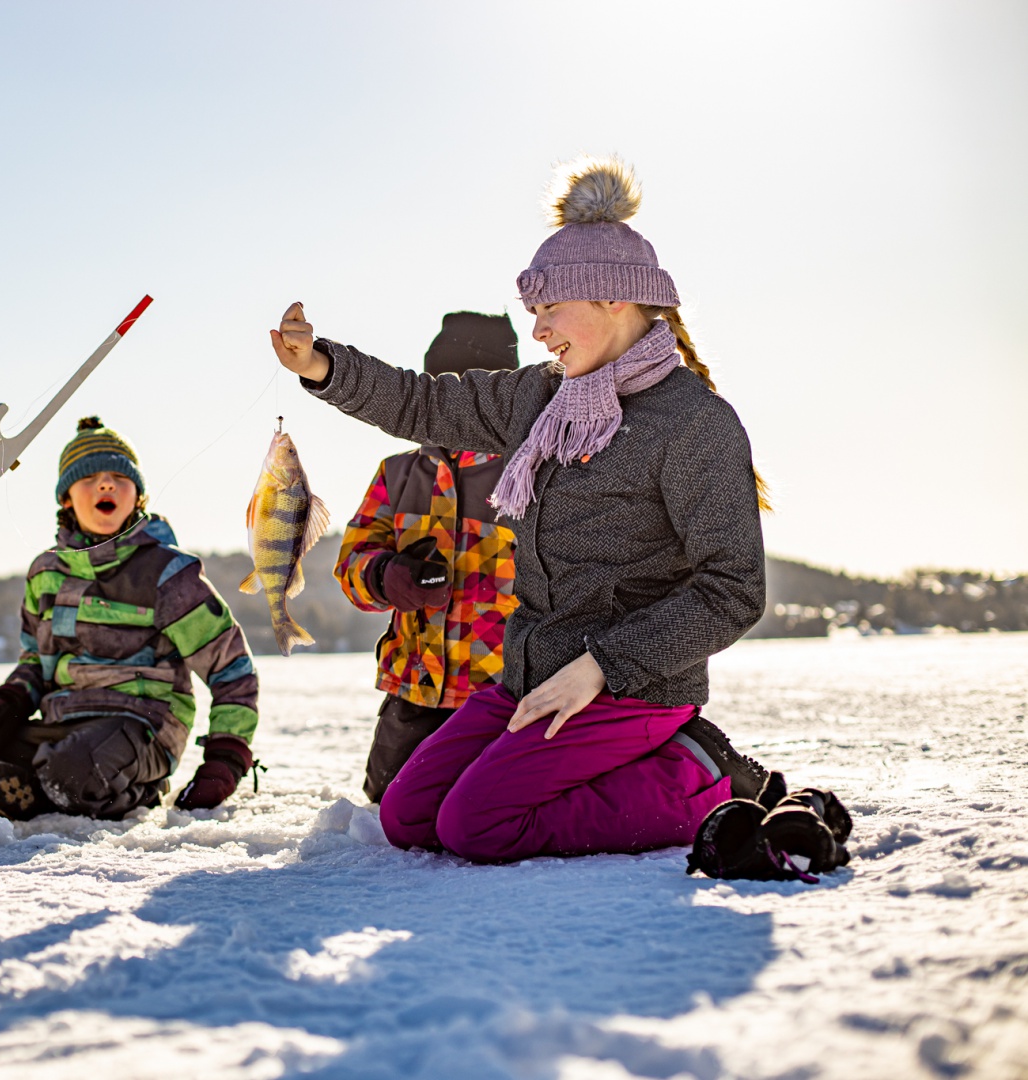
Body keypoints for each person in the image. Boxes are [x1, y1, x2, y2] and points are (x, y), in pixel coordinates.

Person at [270, 157, 768, 864]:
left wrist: (601, 665)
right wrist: (321, 365)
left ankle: (698, 777)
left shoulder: (694, 425)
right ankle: (592, 766)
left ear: (613, 300)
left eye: (549, 310)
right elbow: (424, 402)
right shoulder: (539, 400)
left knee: (477, 826)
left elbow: (734, 589)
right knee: (410, 816)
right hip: (528, 675)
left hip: (631, 686)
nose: (537, 331)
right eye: (531, 313)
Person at [0, 417, 261, 820]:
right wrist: (4, 707)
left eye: (119, 477)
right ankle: (6, 790)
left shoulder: (168, 574)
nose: (106, 484)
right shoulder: (46, 573)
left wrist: (226, 759)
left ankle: (71, 793)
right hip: (61, 727)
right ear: (67, 498)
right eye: (90, 477)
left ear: (138, 496)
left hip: (140, 725)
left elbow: (231, 670)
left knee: (71, 771)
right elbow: (34, 666)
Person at [334, 312, 521, 803]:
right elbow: (352, 562)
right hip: (414, 693)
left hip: (505, 699)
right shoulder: (397, 474)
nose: (457, 408)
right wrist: (385, 576)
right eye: (443, 391)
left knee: (479, 814)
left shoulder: (533, 472)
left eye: (476, 394)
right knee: (386, 810)